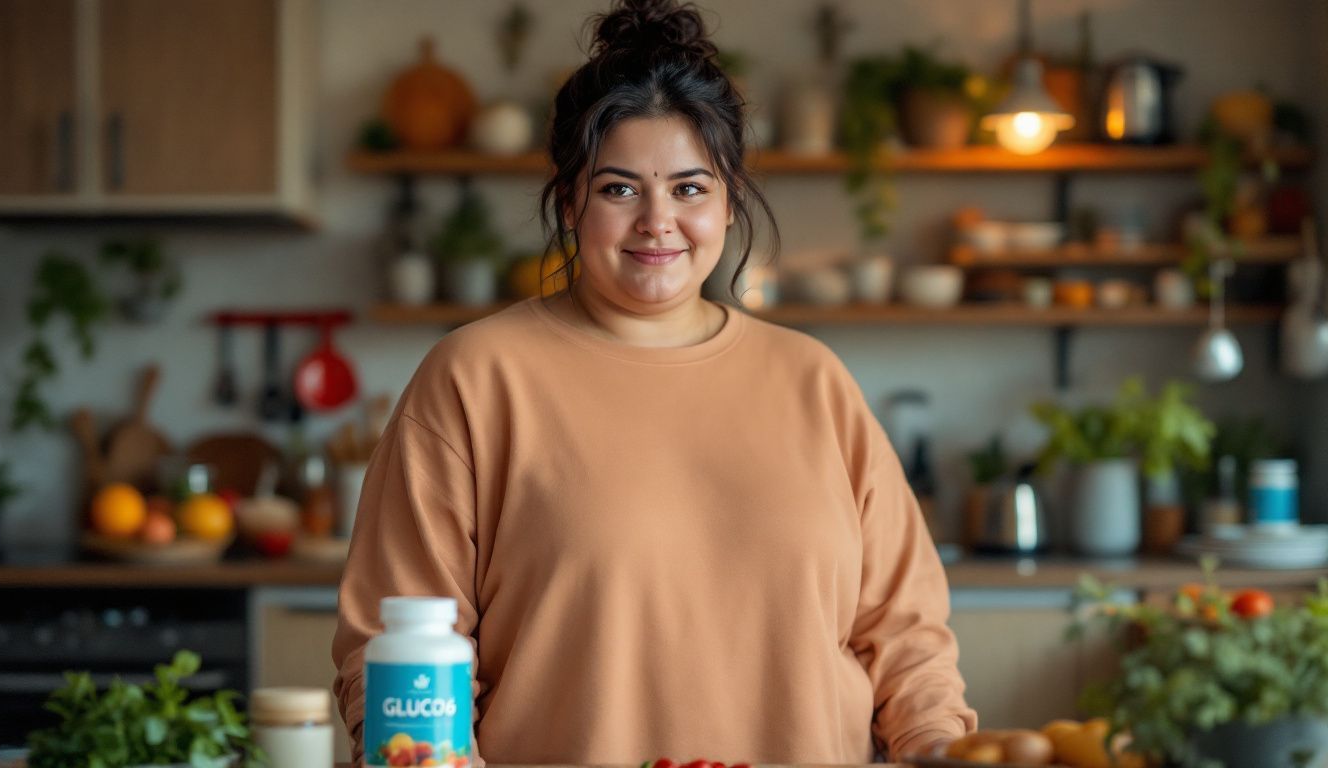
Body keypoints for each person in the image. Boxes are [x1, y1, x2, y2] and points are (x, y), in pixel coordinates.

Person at [332, 0, 976, 762]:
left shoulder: (814, 382)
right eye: (619, 189)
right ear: (569, 200)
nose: (657, 222)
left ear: (730, 200)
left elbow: (908, 642)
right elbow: (395, 660)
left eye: (690, 188)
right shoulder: (474, 379)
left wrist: (937, 749)